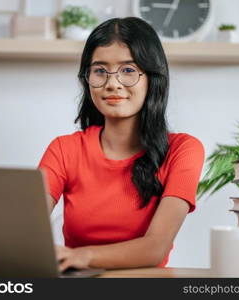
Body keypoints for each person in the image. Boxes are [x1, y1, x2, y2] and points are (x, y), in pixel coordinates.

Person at [38, 17, 204, 272]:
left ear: (152, 77)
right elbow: (24, 229)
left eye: (128, 70)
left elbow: (154, 248)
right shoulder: (64, 149)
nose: (112, 83)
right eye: (100, 71)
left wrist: (81, 256)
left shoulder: (183, 150)